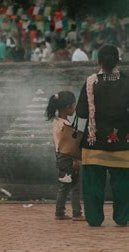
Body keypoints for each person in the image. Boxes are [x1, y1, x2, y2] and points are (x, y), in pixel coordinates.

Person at [76, 44, 129, 227]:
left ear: (98, 61)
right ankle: (122, 218)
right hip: (122, 143)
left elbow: (81, 112)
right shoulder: (126, 81)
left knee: (93, 185)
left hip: (93, 143)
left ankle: (94, 219)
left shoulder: (91, 82)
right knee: (123, 185)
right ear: (118, 61)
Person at [46, 91, 85, 221]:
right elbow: (71, 146)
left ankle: (60, 212)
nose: (74, 109)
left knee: (64, 185)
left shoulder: (57, 122)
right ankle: (77, 213)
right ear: (68, 107)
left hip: (60, 156)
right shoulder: (66, 125)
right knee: (75, 186)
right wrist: (75, 160)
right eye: (73, 106)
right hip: (68, 157)